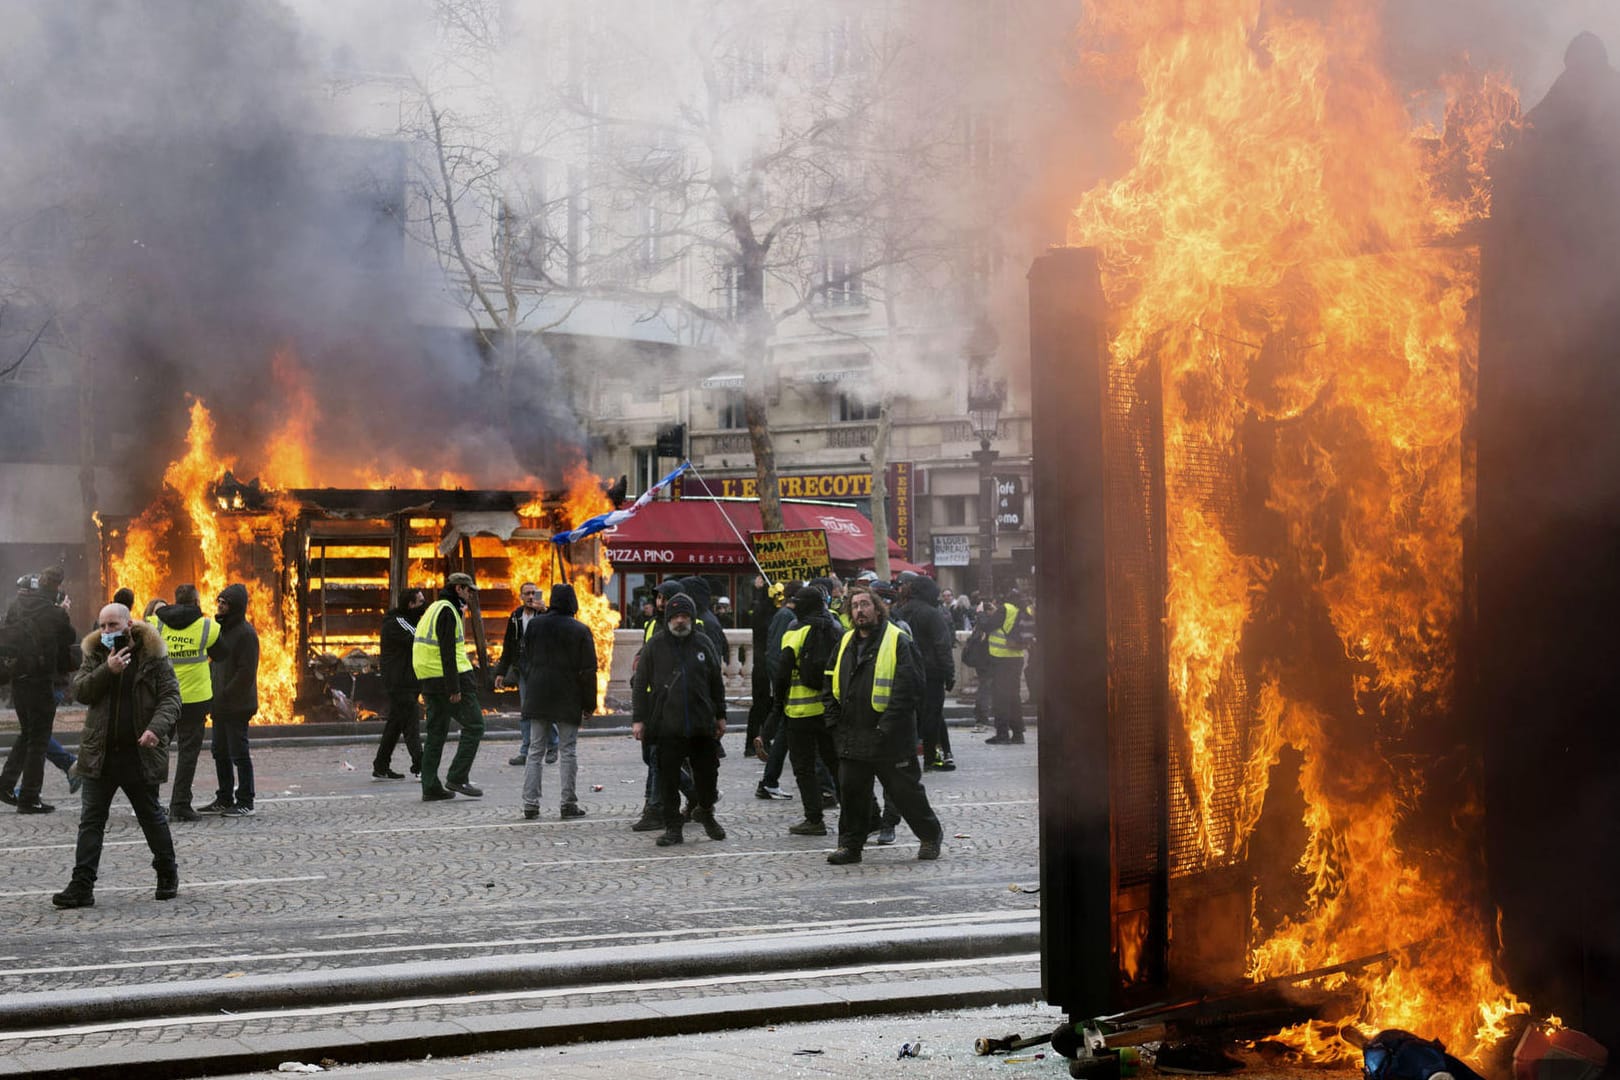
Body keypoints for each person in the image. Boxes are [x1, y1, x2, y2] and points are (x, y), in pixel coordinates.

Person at [52, 602, 179, 908]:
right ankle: (82, 885)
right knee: (91, 821)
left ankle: (167, 873)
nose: (107, 631)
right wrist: (106, 671)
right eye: (103, 625)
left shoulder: (153, 655)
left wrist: (155, 730)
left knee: (151, 816)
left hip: (138, 754)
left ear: (129, 624)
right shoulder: (96, 653)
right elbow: (80, 691)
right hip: (101, 754)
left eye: (113, 625)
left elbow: (171, 698)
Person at [822, 586, 943, 865]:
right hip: (853, 734)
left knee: (905, 793)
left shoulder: (897, 639)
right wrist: (833, 720)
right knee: (852, 795)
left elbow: (909, 688)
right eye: (854, 606)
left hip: (890, 737)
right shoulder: (845, 641)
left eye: (865, 604)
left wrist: (885, 727)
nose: (859, 611)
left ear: (877, 609)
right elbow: (828, 680)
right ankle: (850, 846)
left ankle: (930, 835)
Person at [631, 593, 728, 847]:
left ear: (692, 617)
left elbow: (716, 682)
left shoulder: (704, 644)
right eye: (675, 616)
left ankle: (705, 811)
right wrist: (638, 719)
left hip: (701, 724)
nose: (680, 621)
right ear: (668, 619)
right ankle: (674, 827)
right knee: (669, 780)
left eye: (685, 616)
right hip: (667, 725)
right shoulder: (655, 646)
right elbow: (640, 684)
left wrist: (721, 715)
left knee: (708, 777)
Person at [768, 585, 843, 836]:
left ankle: (814, 819)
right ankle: (863, 814)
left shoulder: (795, 630)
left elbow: (783, 673)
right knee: (836, 764)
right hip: (830, 711)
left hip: (799, 712)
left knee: (804, 768)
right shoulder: (836, 628)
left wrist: (777, 705)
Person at [0, 567, 77, 814]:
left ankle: (5, 785)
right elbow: (69, 638)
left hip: (18, 679)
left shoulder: (16, 606)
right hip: (42, 681)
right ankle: (30, 797)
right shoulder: (53, 613)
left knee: (27, 734)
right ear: (55, 588)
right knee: (38, 740)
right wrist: (64, 613)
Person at [520, 583, 598, 821]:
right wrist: (589, 704)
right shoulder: (580, 630)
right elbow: (588, 670)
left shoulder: (535, 625)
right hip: (568, 695)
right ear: (573, 603)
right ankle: (568, 803)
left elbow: (525, 657)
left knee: (535, 750)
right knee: (568, 751)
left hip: (538, 694)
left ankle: (530, 804)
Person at [629, 580, 698, 831]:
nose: (659, 603)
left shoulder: (687, 629)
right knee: (652, 756)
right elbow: (648, 654)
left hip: (672, 702)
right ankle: (692, 794)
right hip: (651, 698)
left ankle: (656, 807)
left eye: (664, 598)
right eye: (657, 598)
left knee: (659, 757)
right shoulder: (651, 625)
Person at [149, 584, 220, 821]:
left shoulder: (156, 623)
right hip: (196, 699)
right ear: (196, 601)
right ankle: (180, 804)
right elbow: (222, 652)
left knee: (158, 748)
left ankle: (150, 803)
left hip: (164, 697)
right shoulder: (207, 626)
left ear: (176, 600)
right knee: (188, 753)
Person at [413, 572, 485, 801]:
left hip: (430, 681)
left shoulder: (434, 608)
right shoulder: (447, 611)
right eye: (468, 589)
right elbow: (447, 652)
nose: (471, 593)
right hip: (450, 681)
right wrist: (454, 688)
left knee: (436, 733)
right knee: (475, 726)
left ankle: (430, 786)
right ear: (458, 589)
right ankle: (457, 776)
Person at [197, 583, 259, 817]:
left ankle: (245, 801)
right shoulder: (220, 630)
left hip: (237, 704)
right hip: (220, 704)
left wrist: (224, 694)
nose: (219, 606)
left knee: (238, 752)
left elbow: (245, 672)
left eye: (224, 603)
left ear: (235, 607)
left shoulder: (245, 634)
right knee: (219, 751)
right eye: (219, 602)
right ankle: (224, 797)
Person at [895, 575, 957, 772]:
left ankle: (910, 757)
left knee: (912, 715)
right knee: (933, 715)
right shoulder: (932, 613)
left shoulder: (900, 612)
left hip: (907, 670)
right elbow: (942, 646)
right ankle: (931, 757)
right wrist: (949, 673)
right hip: (931, 672)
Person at [494, 581, 550, 766]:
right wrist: (501, 672)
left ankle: (553, 746)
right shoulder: (515, 616)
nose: (531, 597)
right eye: (527, 593)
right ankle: (525, 751)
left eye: (534, 593)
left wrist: (546, 611)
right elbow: (508, 646)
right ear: (521, 596)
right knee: (526, 711)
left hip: (542, 669)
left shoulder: (544, 614)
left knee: (545, 709)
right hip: (523, 669)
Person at [373, 587, 427, 780]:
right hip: (400, 683)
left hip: (407, 681)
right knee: (411, 724)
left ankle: (380, 765)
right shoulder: (399, 622)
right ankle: (421, 766)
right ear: (410, 605)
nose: (424, 605)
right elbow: (419, 640)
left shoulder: (408, 620)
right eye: (421, 602)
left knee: (395, 725)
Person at [983, 589, 1035, 745]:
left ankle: (1002, 734)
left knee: (1000, 698)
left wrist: (982, 613)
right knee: (1014, 697)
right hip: (1017, 657)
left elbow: (987, 626)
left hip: (1001, 657)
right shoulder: (1025, 609)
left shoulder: (1006, 608)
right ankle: (1018, 734)